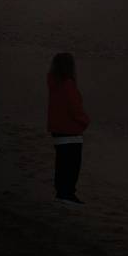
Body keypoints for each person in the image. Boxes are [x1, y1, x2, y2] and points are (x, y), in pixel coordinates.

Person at [47, 52, 89, 204]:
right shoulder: (68, 85)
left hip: (58, 130)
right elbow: (75, 108)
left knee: (62, 163)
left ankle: (62, 192)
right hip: (71, 130)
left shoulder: (54, 83)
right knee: (72, 166)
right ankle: (67, 193)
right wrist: (85, 121)